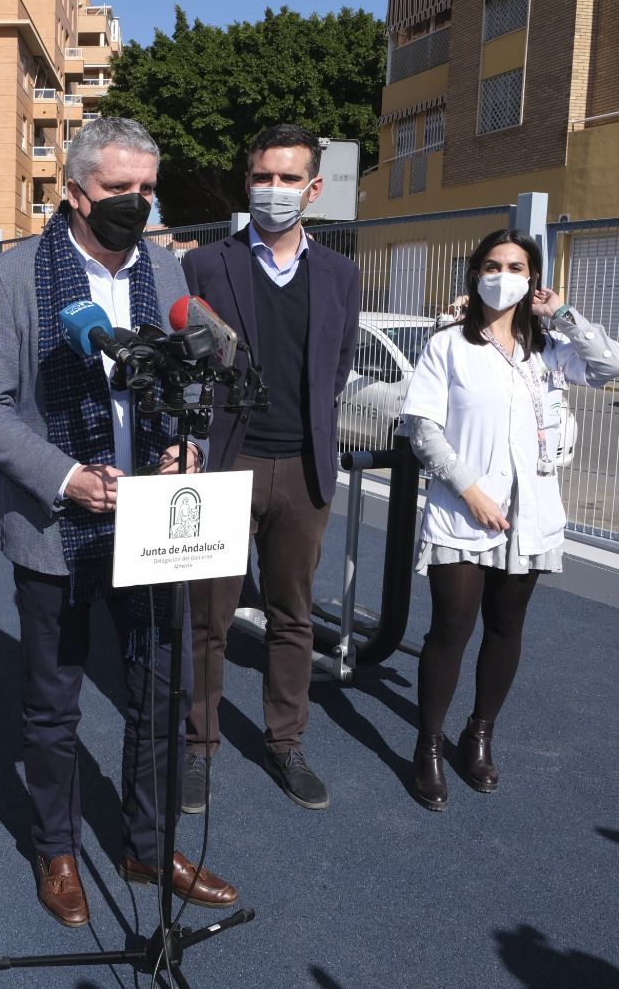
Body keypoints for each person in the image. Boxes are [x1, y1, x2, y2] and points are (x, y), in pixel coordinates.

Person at [0, 117, 239, 929]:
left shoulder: (165, 270)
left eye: (148, 189)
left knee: (161, 693)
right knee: (53, 706)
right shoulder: (13, 280)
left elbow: (199, 384)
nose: (138, 204)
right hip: (56, 526)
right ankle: (56, 852)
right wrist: (70, 477)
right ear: (74, 192)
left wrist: (187, 446)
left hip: (155, 522)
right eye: (120, 190)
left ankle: (149, 845)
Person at [400, 229, 619, 811]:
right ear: (475, 274)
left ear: (532, 279)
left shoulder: (548, 348)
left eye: (518, 266)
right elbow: (423, 428)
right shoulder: (449, 345)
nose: (504, 275)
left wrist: (566, 314)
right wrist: (469, 489)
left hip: (529, 514)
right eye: (494, 265)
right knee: (452, 626)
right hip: (464, 508)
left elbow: (611, 367)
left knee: (506, 626)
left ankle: (479, 734)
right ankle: (427, 746)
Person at [180, 124, 362, 814]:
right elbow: (189, 360)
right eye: (264, 176)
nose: (275, 190)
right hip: (228, 465)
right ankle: (199, 748)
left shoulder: (340, 274)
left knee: (293, 618)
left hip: (305, 468)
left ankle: (285, 742)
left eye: (290, 179)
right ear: (247, 181)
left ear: (314, 189)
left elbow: (338, 363)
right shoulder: (207, 265)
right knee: (209, 619)